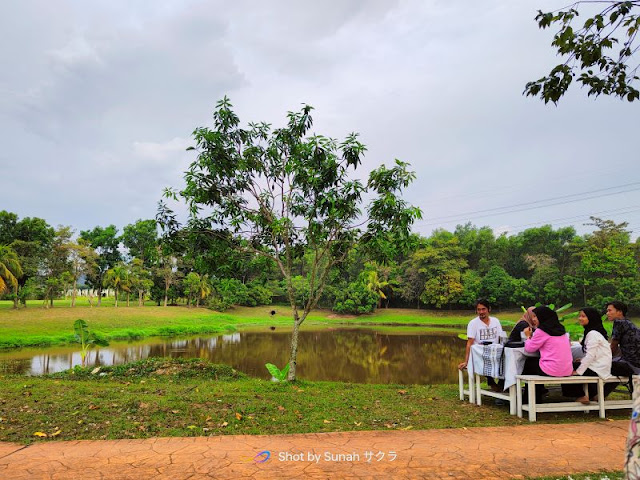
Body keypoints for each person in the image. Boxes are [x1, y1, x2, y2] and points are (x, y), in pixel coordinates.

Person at [522, 306, 573, 402]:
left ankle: (532, 398)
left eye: (535, 317)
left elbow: (529, 349)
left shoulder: (541, 331)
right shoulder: (561, 330)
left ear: (543, 317)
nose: (533, 319)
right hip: (567, 370)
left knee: (529, 363)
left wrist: (528, 336)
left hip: (551, 370)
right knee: (535, 365)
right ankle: (538, 393)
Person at [563, 307, 612, 403]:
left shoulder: (593, 334)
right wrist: (582, 360)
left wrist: (578, 371)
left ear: (591, 318)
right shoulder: (591, 332)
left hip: (598, 368)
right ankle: (592, 394)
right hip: (597, 365)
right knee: (572, 365)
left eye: (583, 316)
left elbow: (590, 355)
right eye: (579, 316)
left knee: (565, 368)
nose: (580, 318)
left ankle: (580, 395)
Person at [458, 299, 505, 392]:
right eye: (479, 310)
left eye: (483, 309)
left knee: (506, 359)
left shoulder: (495, 321)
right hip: (480, 354)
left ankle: (502, 384)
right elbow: (469, 343)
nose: (481, 312)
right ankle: (491, 382)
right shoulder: (473, 323)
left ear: (489, 309)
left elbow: (501, 338)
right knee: (487, 357)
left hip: (495, 351)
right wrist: (466, 361)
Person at [607, 301, 640, 375]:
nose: (607, 313)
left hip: (631, 364)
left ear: (619, 312)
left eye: (610, 310)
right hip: (636, 362)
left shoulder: (619, 322)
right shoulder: (628, 323)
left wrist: (601, 359)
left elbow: (613, 346)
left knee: (598, 366)